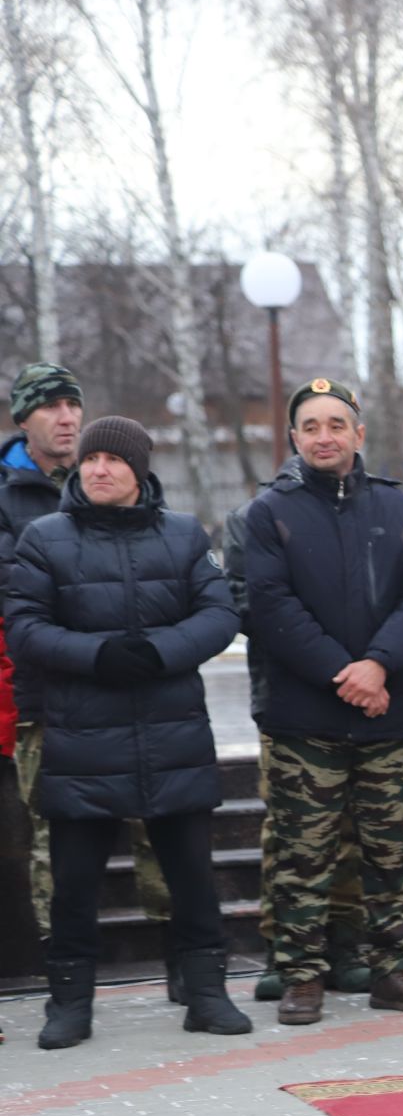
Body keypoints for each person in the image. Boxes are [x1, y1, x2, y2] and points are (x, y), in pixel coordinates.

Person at [7, 417, 249, 1048]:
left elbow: (220, 613)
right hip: (83, 741)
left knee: (192, 877)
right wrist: (100, 655)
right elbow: (25, 628)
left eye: (114, 460)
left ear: (139, 471)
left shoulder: (182, 534)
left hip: (172, 737)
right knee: (75, 882)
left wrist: (162, 650)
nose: (99, 469)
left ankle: (206, 994)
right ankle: (70, 1004)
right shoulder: (45, 538)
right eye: (91, 460)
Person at [245, 378, 403, 1025]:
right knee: (305, 854)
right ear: (295, 438)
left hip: (383, 712)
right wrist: (345, 672)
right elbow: (270, 607)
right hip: (307, 718)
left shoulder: (402, 510)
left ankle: (395, 968)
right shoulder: (268, 513)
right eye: (311, 426)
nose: (324, 436)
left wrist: (378, 666)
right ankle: (303, 975)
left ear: (360, 434)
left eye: (337, 424)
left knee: (389, 851)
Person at [1, 364, 173, 961]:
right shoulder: (6, 496)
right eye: (50, 407)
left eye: (73, 404)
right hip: (52, 694)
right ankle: (65, 965)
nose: (67, 417)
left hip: (136, 690)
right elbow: (19, 598)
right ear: (23, 419)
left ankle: (179, 951)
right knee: (57, 838)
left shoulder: (124, 478)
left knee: (161, 825)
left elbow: (164, 577)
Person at [225, 463, 371, 1002]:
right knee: (287, 831)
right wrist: (315, 639)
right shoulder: (253, 518)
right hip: (287, 694)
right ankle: (282, 947)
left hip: (357, 691)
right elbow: (246, 602)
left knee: (351, 822)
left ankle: (346, 942)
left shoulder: (366, 510)